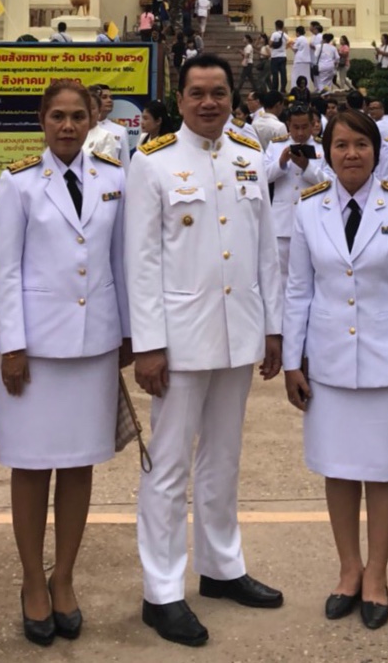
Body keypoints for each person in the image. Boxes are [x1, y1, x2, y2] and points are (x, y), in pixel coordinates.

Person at [124, 55, 284, 647]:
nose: (210, 102)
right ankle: (161, 591)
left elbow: (266, 250)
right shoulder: (154, 163)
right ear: (182, 98)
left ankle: (221, 566)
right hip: (180, 338)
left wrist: (273, 328)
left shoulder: (250, 158)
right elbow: (140, 262)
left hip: (238, 331)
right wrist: (150, 346)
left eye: (219, 92)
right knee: (167, 468)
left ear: (230, 96)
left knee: (223, 458)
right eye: (198, 93)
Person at [0, 80, 131, 645]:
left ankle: (65, 577)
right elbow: (6, 269)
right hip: (37, 350)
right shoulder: (20, 182)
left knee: (78, 465)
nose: (68, 126)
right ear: (41, 121)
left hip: (93, 344)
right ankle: (32, 580)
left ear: (93, 119)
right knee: (31, 466)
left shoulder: (114, 179)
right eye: (57, 117)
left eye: (77, 116)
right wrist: (13, 344)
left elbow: (120, 264)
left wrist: (127, 337)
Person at [283, 108, 388, 631]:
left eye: (361, 145)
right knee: (338, 468)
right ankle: (349, 569)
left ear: (377, 152)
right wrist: (291, 361)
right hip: (326, 359)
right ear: (326, 152)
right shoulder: (308, 209)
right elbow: (298, 288)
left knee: (384, 469)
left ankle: (378, 574)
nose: (351, 154)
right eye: (341, 145)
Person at [265, 105, 326, 286]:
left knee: (312, 272)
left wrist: (307, 167)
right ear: (288, 125)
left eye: (304, 126)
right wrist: (281, 162)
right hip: (282, 221)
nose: (300, 132)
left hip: (313, 218)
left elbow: (330, 182)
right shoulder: (276, 146)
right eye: (295, 127)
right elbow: (263, 176)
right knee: (282, 275)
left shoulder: (322, 146)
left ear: (313, 124)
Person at [269, 22, 288, 93]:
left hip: (275, 57)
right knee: (283, 73)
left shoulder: (274, 34)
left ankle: (274, 89)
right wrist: (284, 48)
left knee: (275, 74)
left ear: (276, 26)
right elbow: (290, 42)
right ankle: (283, 88)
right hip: (283, 56)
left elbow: (270, 44)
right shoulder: (285, 35)